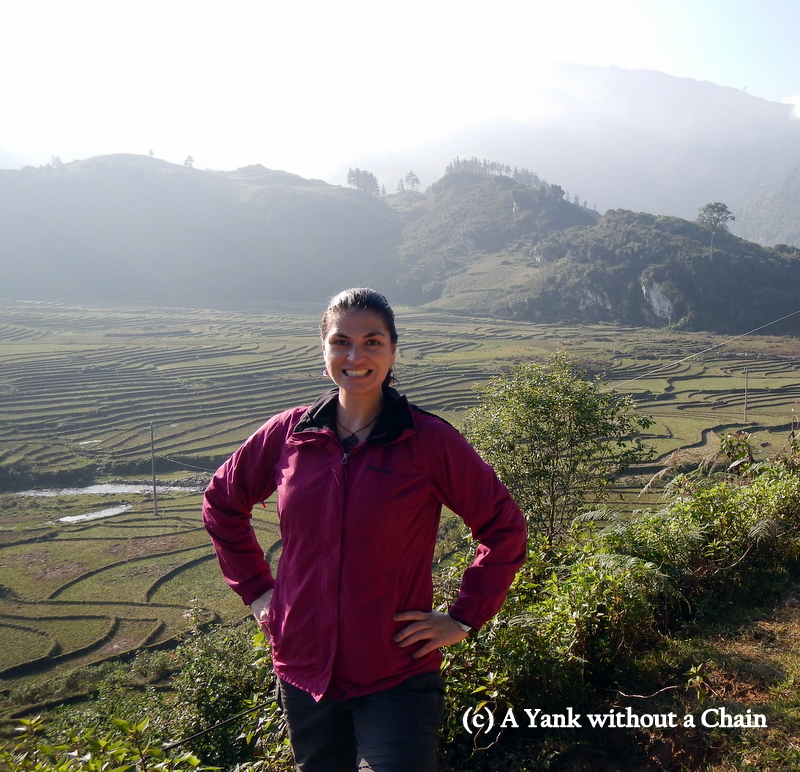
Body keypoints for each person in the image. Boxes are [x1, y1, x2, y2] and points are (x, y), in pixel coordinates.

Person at [202, 287, 526, 772]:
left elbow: (503, 527)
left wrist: (462, 617)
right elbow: (222, 503)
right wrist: (256, 592)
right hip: (303, 670)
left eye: (372, 341)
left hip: (396, 671)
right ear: (324, 350)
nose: (355, 355)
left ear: (394, 351)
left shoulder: (428, 440)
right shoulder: (287, 435)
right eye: (341, 342)